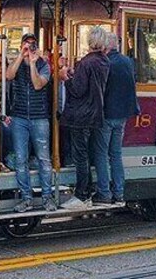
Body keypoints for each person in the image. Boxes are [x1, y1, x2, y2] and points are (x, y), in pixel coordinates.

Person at [59, 27, 112, 209]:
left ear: (90, 42)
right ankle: (87, 192)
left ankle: (82, 194)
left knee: (80, 156)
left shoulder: (86, 62)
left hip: (79, 115)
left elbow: (78, 90)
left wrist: (64, 78)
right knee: (88, 154)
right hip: (95, 113)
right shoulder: (104, 62)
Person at [4, 33, 56, 212]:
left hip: (39, 117)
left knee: (43, 158)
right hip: (19, 117)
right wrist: (21, 56)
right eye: (27, 45)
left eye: (33, 45)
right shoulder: (17, 64)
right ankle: (26, 198)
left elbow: (37, 84)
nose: (30, 48)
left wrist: (33, 63)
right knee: (20, 158)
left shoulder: (43, 65)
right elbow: (8, 76)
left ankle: (47, 197)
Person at [102, 32, 140, 207]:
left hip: (107, 115)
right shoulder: (127, 61)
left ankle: (104, 192)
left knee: (102, 153)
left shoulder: (106, 62)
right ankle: (119, 192)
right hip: (122, 116)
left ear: (106, 46)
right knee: (116, 154)